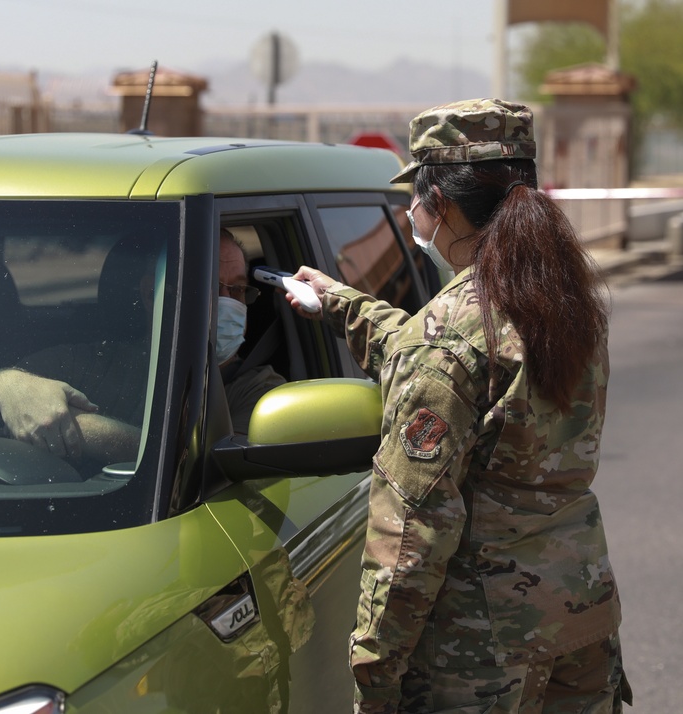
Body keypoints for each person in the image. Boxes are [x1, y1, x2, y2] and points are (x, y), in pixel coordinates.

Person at [283, 99, 630, 713]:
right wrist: (342, 303)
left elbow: (410, 533)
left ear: (439, 203)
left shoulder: (452, 334)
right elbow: (456, 364)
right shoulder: (561, 298)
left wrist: (374, 674)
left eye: (415, 201)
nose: (413, 216)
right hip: (579, 616)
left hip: (481, 650)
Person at [0, 228, 284, 463]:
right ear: (153, 294)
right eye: (212, 287)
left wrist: (64, 424)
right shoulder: (94, 359)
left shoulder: (262, 392)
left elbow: (201, 466)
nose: (228, 303)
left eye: (238, 290)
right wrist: (9, 387)